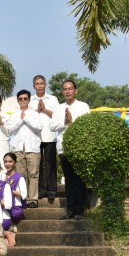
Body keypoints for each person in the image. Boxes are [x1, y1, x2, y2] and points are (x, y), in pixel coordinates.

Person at [49, 78, 91, 220]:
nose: (67, 91)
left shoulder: (83, 106)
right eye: (65, 89)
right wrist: (64, 122)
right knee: (69, 181)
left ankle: (80, 211)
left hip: (79, 148)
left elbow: (87, 126)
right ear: (62, 92)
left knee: (79, 179)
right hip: (64, 148)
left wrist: (73, 122)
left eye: (70, 89)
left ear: (75, 91)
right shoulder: (58, 108)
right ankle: (70, 210)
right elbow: (52, 126)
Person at [5, 89, 43, 208]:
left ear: (29, 100)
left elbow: (39, 127)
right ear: (17, 100)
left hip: (32, 147)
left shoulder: (34, 114)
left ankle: (33, 199)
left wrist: (26, 118)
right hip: (18, 148)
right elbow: (9, 130)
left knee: (33, 174)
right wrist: (20, 120)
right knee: (20, 175)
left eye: (25, 99)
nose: (23, 101)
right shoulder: (14, 115)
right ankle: (21, 198)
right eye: (20, 99)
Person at [31, 75, 59, 204]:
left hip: (49, 135)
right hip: (35, 136)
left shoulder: (52, 99)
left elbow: (57, 115)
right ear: (34, 86)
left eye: (42, 83)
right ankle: (41, 190)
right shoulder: (30, 100)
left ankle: (51, 190)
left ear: (45, 84)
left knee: (50, 163)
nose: (40, 86)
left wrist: (44, 109)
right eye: (37, 84)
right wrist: (37, 110)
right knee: (38, 165)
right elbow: (29, 116)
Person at [3, 152, 28, 227]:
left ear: (15, 163)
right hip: (4, 205)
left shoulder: (19, 177)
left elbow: (24, 195)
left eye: (10, 161)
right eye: (5, 161)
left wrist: (9, 190)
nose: (7, 164)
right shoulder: (2, 176)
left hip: (15, 208)